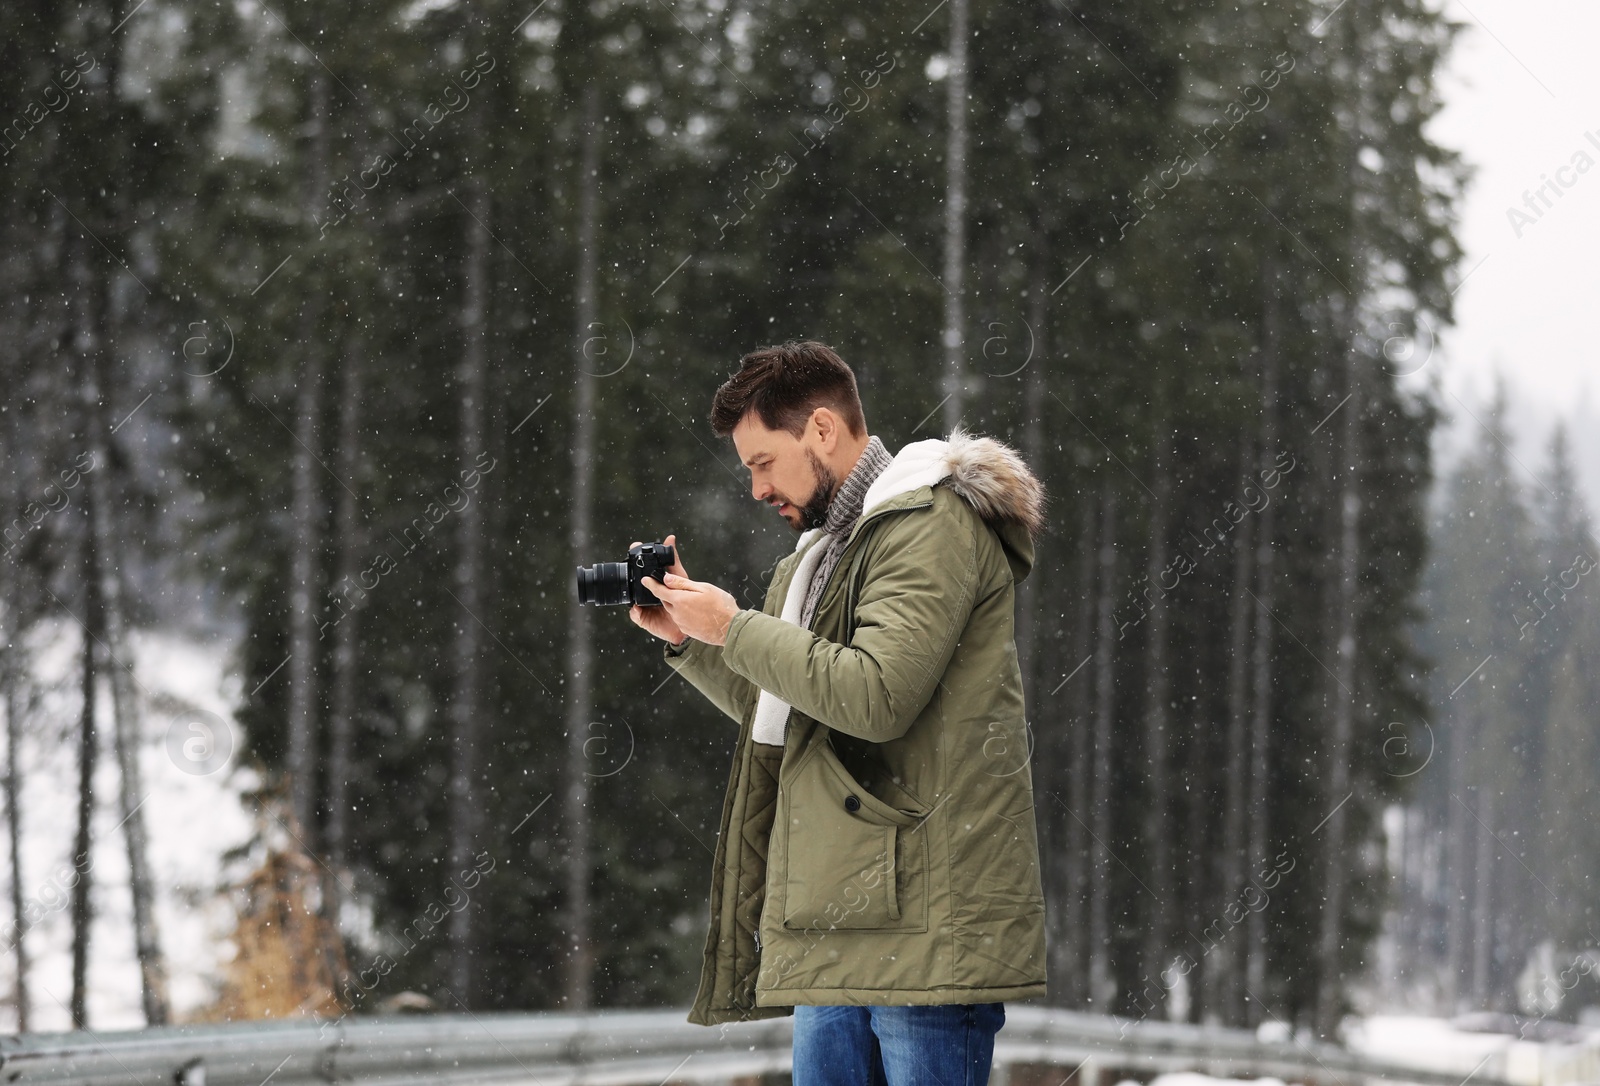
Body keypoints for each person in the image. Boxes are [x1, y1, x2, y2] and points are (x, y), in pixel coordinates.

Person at [629, 341, 1048, 1085]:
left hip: (922, 923)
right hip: (835, 915)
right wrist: (695, 644)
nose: (756, 489)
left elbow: (875, 696)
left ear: (821, 430)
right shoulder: (819, 556)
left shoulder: (928, 524)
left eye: (762, 462)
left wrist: (734, 626)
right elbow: (795, 709)